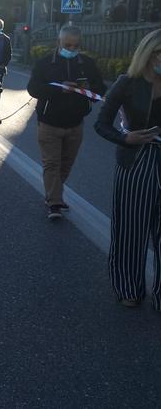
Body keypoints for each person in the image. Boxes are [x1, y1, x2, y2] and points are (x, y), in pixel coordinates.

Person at [95, 29, 161, 309]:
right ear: (148, 54)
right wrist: (125, 138)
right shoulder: (127, 83)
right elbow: (102, 124)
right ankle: (129, 287)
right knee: (131, 229)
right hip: (136, 161)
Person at [27, 25, 106, 220]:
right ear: (58, 43)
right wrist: (58, 89)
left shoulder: (87, 64)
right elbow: (33, 89)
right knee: (52, 164)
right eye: (67, 45)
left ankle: (52, 194)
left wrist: (87, 88)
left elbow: (100, 90)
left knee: (65, 165)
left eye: (75, 46)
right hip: (49, 124)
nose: (71, 49)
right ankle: (54, 202)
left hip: (75, 124)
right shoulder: (45, 63)